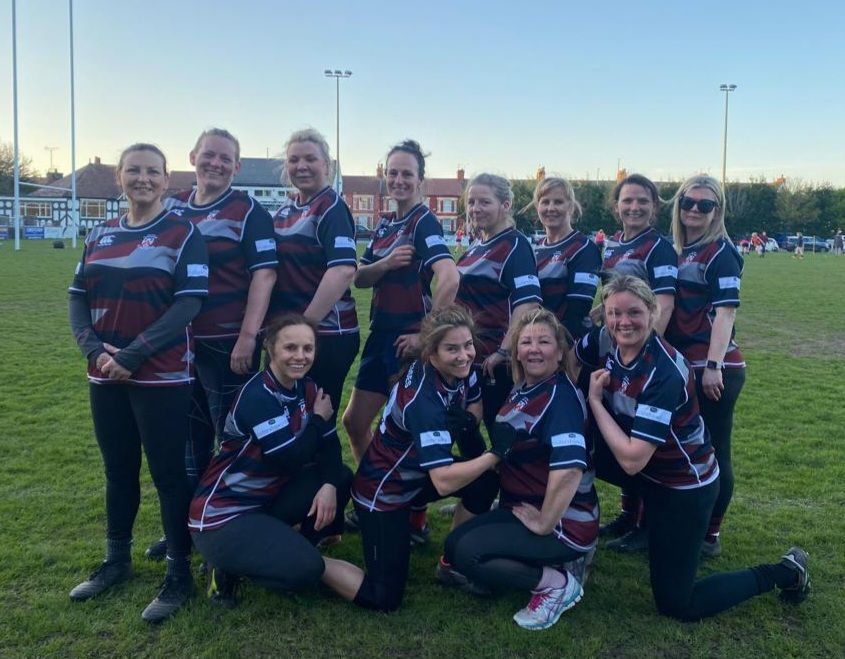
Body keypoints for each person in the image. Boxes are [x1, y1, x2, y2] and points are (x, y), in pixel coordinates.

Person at [585, 275, 810, 621]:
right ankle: (567, 538)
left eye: (634, 312)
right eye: (614, 313)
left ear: (653, 312)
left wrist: (595, 402)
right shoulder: (609, 341)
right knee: (567, 447)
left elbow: (631, 461)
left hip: (682, 487)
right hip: (652, 473)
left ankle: (786, 571)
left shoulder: (662, 370)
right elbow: (568, 353)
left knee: (677, 604)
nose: (623, 322)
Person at [68, 143, 209, 622]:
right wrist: (94, 350)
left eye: (152, 171)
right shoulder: (100, 233)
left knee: (169, 476)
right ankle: (116, 561)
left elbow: (188, 304)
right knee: (118, 471)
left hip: (162, 376)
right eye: (134, 170)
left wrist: (133, 354)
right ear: (119, 177)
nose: (142, 178)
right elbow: (77, 298)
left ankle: (179, 573)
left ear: (167, 180)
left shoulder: (183, 233)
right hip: (105, 373)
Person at [144, 128, 278, 561]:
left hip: (226, 345)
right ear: (192, 157)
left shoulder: (249, 210)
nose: (215, 164)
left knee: (232, 444)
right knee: (188, 443)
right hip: (177, 347)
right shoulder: (174, 206)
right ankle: (187, 529)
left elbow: (264, 275)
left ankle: (228, 531)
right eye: (209, 155)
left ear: (236, 167)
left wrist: (248, 336)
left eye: (225, 158)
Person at [319, 305, 504, 612]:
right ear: (431, 354)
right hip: (384, 493)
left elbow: (474, 405)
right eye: (452, 349)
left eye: (468, 345)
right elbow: (443, 481)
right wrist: (495, 454)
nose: (464, 355)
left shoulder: (464, 371)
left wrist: (469, 421)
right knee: (383, 599)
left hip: (416, 475)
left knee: (484, 481)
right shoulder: (423, 400)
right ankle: (311, 559)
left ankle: (452, 563)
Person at [444, 309, 598, 631]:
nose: (534, 349)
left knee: (468, 553)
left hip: (562, 522)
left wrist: (544, 523)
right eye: (526, 342)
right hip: (522, 505)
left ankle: (557, 584)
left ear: (560, 352)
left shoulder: (560, 398)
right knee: (456, 545)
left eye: (544, 342)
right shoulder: (525, 387)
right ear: (515, 351)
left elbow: (570, 470)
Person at [190, 314, 353, 608]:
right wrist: (317, 420)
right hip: (223, 515)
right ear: (270, 348)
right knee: (308, 570)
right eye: (290, 347)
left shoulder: (308, 388)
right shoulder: (258, 396)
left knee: (339, 476)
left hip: (265, 500)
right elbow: (292, 458)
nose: (300, 356)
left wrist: (329, 485)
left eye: (308, 348)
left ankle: (287, 549)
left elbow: (330, 446)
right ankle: (225, 566)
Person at [342, 140, 459, 466]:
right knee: (354, 423)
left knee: (404, 433)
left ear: (420, 180)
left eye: (407, 174)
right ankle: (373, 488)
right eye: (393, 173)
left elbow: (450, 277)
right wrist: (387, 263)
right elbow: (360, 278)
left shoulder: (423, 221)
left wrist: (426, 335)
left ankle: (409, 498)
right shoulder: (384, 223)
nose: (399, 180)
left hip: (408, 341)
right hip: (380, 335)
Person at [596, 174, 678, 551]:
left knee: (643, 440)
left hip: (640, 355)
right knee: (623, 429)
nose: (634, 207)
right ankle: (629, 515)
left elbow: (664, 304)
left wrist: (642, 354)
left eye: (642, 201)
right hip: (620, 352)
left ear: (654, 206)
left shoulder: (659, 247)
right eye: (627, 200)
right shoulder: (614, 245)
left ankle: (647, 525)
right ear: (616, 206)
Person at [665, 175, 745, 557]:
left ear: (718, 210)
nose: (694, 210)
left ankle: (710, 534)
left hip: (713, 368)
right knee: (680, 447)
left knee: (713, 451)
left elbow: (726, 312)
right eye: (688, 202)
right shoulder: (680, 250)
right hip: (683, 365)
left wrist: (713, 365)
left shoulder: (720, 251)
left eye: (705, 204)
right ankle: (666, 521)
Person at [270, 128, 358, 418]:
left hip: (327, 333)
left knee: (316, 418)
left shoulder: (331, 207)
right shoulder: (285, 210)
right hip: (290, 332)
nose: (302, 166)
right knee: (290, 416)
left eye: (310, 159)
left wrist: (304, 326)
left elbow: (343, 270)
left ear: (326, 165)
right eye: (294, 160)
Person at [456, 173, 542, 434]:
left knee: (502, 434)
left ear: (505, 205)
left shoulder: (515, 245)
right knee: (464, 427)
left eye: (485, 202)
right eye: (471, 202)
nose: (475, 208)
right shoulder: (476, 245)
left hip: (495, 362)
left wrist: (503, 352)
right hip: (469, 356)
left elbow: (528, 305)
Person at [530, 177, 601, 344]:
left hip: (565, 344)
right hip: (535, 340)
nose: (551, 208)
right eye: (545, 202)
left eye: (558, 202)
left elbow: (577, 312)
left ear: (571, 206)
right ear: (537, 207)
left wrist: (553, 345)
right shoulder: (535, 249)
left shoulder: (584, 248)